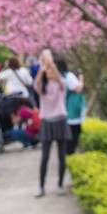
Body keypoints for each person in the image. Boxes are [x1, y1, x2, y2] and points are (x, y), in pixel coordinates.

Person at [33, 49, 72, 196]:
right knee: (45, 156)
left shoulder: (61, 86)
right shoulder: (43, 88)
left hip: (60, 120)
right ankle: (41, 186)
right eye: (48, 71)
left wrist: (52, 65)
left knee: (62, 156)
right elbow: (36, 84)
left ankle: (60, 184)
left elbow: (62, 80)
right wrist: (43, 68)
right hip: (47, 122)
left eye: (52, 71)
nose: (50, 73)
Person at [65, 67, 87, 155]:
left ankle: (69, 150)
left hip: (68, 105)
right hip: (73, 106)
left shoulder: (62, 76)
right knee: (75, 130)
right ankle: (70, 151)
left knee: (72, 130)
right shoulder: (68, 76)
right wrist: (81, 80)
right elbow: (78, 88)